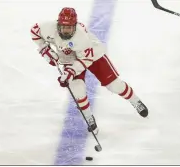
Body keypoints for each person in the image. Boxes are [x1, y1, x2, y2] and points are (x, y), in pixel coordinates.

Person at [30, 7, 148, 135]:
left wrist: (70, 72)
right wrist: (44, 48)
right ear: (58, 24)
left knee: (114, 85)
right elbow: (34, 32)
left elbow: (85, 60)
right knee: (77, 91)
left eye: (69, 27)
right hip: (69, 57)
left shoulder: (81, 37)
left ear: (74, 26)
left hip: (92, 55)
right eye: (63, 27)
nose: (65, 30)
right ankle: (88, 117)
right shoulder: (48, 27)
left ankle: (135, 100)